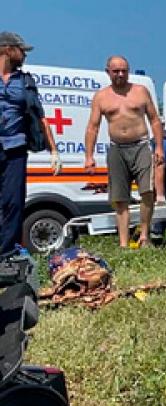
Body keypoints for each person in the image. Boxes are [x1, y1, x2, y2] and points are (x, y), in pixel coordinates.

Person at [84, 55, 164, 248]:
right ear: (108, 72)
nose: (120, 74)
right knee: (120, 198)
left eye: (124, 71)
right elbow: (92, 127)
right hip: (117, 149)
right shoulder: (102, 96)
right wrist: (89, 156)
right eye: (116, 71)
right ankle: (123, 243)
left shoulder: (140, 91)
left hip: (141, 145)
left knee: (147, 191)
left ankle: (144, 236)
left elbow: (154, 119)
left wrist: (159, 147)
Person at [0, 31, 61, 254]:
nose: (24, 54)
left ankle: (7, 254)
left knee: (13, 202)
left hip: (15, 149)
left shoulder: (25, 81)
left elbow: (40, 116)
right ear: (8, 50)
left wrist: (54, 150)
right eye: (22, 50)